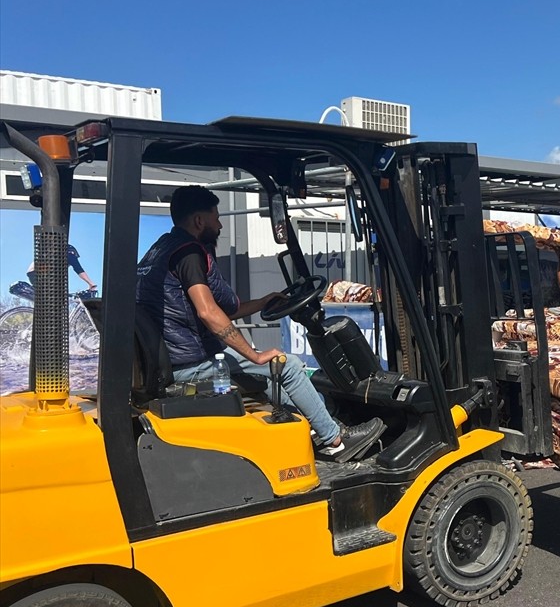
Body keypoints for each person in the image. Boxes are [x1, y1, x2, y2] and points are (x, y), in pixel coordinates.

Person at [135, 185, 384, 462]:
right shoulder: (189, 254)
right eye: (216, 218)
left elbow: (216, 312)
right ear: (199, 221)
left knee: (266, 379)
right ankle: (336, 440)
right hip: (190, 366)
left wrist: (263, 302)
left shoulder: (161, 249)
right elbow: (208, 313)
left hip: (174, 360)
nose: (220, 226)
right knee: (287, 365)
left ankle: (317, 427)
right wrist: (255, 355)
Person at [27, 243, 97, 294]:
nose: (69, 265)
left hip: (35, 274)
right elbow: (78, 269)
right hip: (37, 274)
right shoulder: (69, 254)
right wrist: (91, 284)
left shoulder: (56, 255)